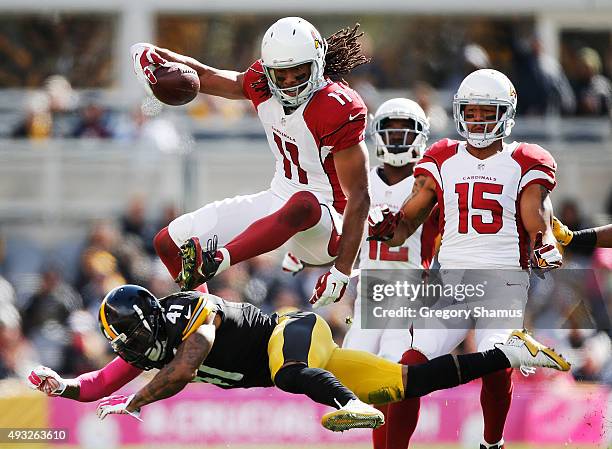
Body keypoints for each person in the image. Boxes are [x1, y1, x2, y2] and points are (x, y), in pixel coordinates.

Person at [27, 284, 569, 433]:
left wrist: (137, 400)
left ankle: (346, 405)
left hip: (294, 334)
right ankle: (508, 352)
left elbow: (186, 366)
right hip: (308, 360)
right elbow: (98, 382)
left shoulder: (189, 311)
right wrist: (62, 386)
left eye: (141, 342)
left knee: (289, 376)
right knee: (408, 384)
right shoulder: (145, 348)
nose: (137, 354)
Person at [368, 69, 563, 449]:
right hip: (453, 283)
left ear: (505, 114)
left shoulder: (524, 159)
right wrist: (388, 226)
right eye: (470, 112)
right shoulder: (442, 156)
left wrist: (543, 242)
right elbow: (410, 219)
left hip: (502, 283)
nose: (476, 120)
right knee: (410, 363)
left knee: (495, 361)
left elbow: (534, 213)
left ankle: (492, 443)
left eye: (485, 112)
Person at [132, 17, 371, 308]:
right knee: (168, 241)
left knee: (304, 202)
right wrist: (162, 56)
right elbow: (211, 77)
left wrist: (342, 270)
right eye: (281, 76)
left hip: (328, 224)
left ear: (317, 63)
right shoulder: (260, 82)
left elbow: (359, 194)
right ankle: (206, 318)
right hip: (278, 201)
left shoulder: (336, 107)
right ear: (268, 71)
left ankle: (219, 259)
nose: (290, 84)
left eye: (299, 73)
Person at [339, 98, 437, 448]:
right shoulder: (361, 182)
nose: (397, 138)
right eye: (391, 130)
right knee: (356, 369)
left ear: (420, 136)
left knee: (395, 375)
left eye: (405, 131)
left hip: (410, 290)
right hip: (368, 288)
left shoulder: (429, 185)